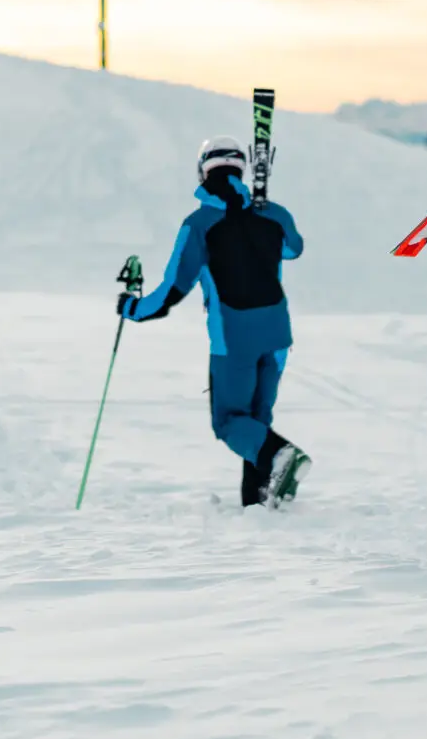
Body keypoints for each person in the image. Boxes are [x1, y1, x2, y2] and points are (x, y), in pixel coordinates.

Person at [120, 136, 310, 507]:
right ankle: (259, 501)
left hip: (234, 337)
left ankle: (281, 457)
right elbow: (293, 248)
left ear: (203, 170)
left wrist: (132, 308)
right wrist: (262, 207)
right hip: (276, 334)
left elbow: (172, 290)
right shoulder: (274, 213)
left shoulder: (200, 223)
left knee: (229, 422)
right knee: (256, 421)